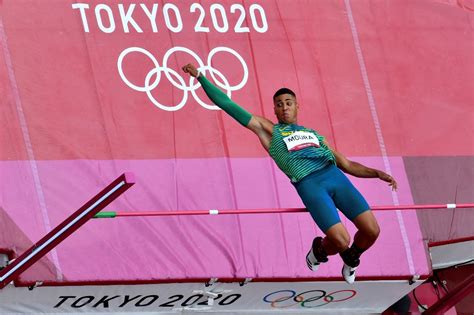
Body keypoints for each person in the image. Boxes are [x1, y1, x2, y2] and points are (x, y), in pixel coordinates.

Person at [181, 64, 397, 284]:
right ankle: (319, 251)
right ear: (274, 110)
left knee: (372, 231)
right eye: (279, 105)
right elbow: (228, 104)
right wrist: (201, 77)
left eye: (288, 103)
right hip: (310, 185)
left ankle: (352, 259)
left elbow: (347, 164)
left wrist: (376, 173)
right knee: (341, 241)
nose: (284, 107)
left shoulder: (315, 135)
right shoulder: (270, 131)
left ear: (297, 106)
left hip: (335, 177)